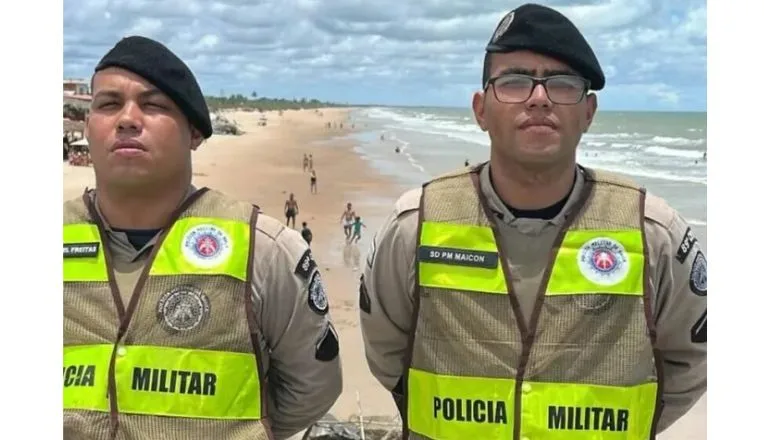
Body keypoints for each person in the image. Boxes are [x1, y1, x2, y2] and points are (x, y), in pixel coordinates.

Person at [359, 4, 707, 439]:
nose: (538, 97)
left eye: (562, 84)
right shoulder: (416, 224)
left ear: (589, 112)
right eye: (515, 81)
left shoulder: (651, 232)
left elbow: (692, 360)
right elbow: (387, 352)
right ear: (481, 110)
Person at [63, 35, 342, 440]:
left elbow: (313, 388)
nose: (126, 118)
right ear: (89, 126)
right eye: (108, 104)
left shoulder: (262, 250)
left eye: (153, 105)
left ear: (194, 132)